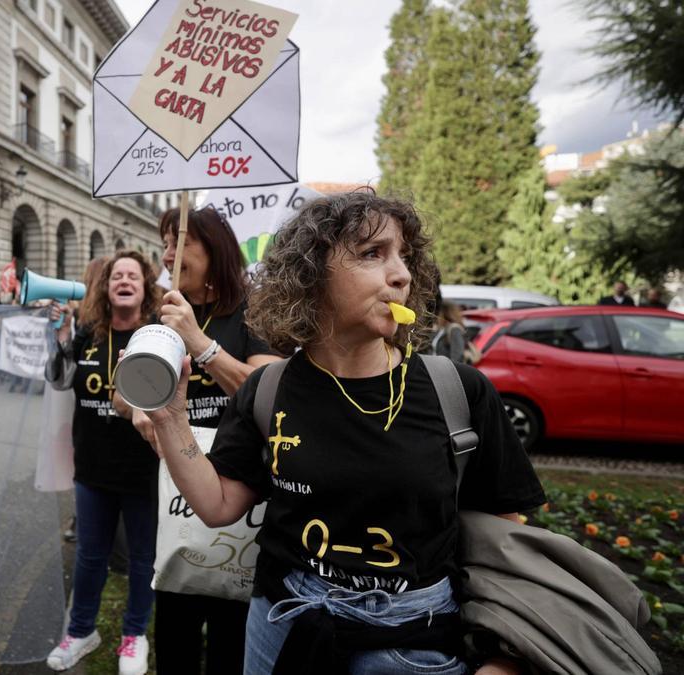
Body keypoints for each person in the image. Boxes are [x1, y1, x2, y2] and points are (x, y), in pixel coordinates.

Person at [142, 192, 545, 674]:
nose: (401, 275)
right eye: (373, 254)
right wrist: (170, 418)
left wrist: (505, 659)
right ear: (311, 275)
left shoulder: (457, 391)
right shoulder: (269, 390)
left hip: (414, 638)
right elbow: (217, 504)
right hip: (283, 623)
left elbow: (509, 534)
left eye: (403, 256)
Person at [126, 207, 280, 675]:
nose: (168, 254)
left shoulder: (254, 309)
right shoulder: (164, 313)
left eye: (180, 242)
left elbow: (268, 389)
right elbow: (127, 386)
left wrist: (199, 342)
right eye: (165, 244)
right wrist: (137, 404)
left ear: (214, 248)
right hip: (178, 488)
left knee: (232, 631)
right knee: (175, 618)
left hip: (237, 490)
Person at [44, 251, 162, 675]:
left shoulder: (158, 335)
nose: (124, 280)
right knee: (90, 557)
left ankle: (134, 636)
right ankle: (80, 632)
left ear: (146, 287)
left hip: (143, 470)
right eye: (116, 276)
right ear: (106, 287)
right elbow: (58, 380)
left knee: (143, 560)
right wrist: (59, 337)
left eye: (133, 275)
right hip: (92, 469)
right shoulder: (89, 332)